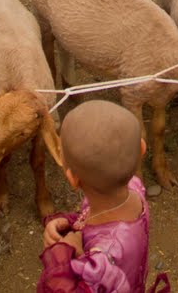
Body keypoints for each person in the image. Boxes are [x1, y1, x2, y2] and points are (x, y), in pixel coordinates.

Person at [38, 100, 154, 291]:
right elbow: (89, 216)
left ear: (73, 179)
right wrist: (67, 223)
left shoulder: (100, 260)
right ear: (142, 149)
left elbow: (59, 288)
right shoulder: (133, 186)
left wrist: (64, 255)